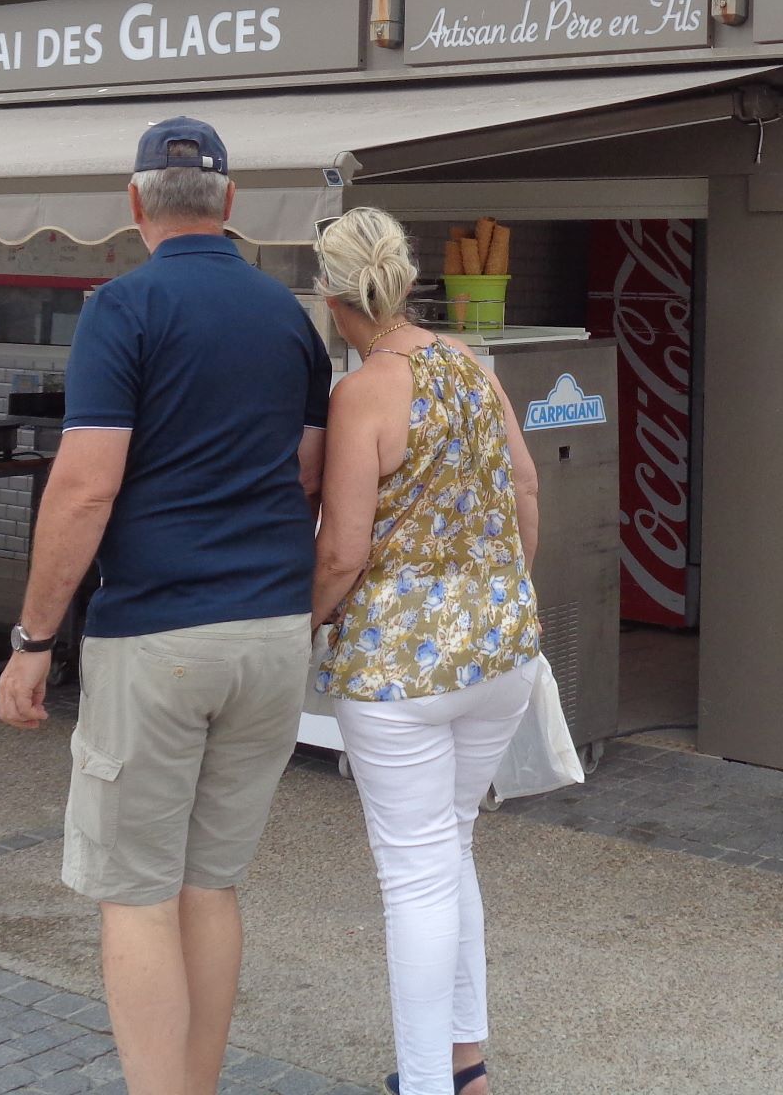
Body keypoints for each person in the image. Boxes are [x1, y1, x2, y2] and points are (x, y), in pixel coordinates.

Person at [0, 117, 329, 1095]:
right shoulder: (288, 317)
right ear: (230, 203)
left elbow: (83, 488)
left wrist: (33, 638)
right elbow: (307, 474)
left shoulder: (123, 307)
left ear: (135, 203)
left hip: (159, 635)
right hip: (272, 630)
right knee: (209, 884)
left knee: (137, 894)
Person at [311, 207, 543, 1095]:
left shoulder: (363, 393)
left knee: (414, 876)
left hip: (397, 670)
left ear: (333, 300)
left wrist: (303, 624)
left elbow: (342, 550)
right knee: (451, 847)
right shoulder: (471, 365)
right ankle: (463, 1064)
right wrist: (501, 593)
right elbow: (525, 487)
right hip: (500, 654)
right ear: (408, 281)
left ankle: (424, 1082)